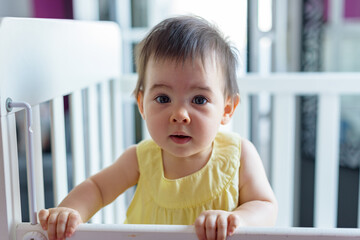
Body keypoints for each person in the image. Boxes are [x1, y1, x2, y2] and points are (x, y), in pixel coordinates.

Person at [39, 15, 278, 240]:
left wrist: (237, 219)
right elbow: (98, 188)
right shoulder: (140, 159)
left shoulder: (239, 156)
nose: (180, 115)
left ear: (227, 109)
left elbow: (265, 206)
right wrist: (70, 211)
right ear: (142, 104)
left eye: (199, 100)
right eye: (163, 99)